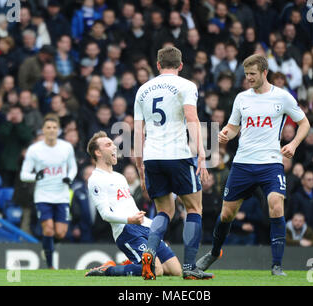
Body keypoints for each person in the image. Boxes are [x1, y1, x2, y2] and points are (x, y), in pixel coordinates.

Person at [196, 54, 310, 276]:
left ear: (264, 73)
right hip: (243, 164)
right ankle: (214, 252)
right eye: (247, 74)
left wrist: (294, 144)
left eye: (252, 74)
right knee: (227, 214)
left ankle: (277, 265)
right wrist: (225, 134)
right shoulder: (241, 98)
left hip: (271, 163)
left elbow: (304, 123)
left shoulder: (283, 97)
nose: (248, 78)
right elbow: (233, 126)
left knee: (276, 204)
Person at [133, 46, 210, 280]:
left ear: (157, 65)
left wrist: (140, 166)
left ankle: (149, 253)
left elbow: (137, 131)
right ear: (180, 65)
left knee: (164, 210)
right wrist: (201, 153)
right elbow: (191, 118)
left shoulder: (143, 90)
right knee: (194, 208)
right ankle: (189, 268)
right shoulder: (186, 86)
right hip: (177, 154)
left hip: (152, 157)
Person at [85, 131, 182, 278]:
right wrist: (130, 220)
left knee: (176, 271)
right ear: (98, 152)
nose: (114, 147)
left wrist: (149, 223)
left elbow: (129, 206)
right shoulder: (96, 179)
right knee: (156, 270)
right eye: (108, 145)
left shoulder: (120, 177)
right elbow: (105, 215)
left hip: (143, 225)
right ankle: (108, 270)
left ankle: (131, 265)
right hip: (126, 230)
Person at [20, 114, 77, 269]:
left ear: (58, 130)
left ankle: (49, 245)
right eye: (48, 128)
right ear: (43, 130)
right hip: (43, 195)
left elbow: (73, 167)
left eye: (54, 128)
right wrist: (35, 176)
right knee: (49, 228)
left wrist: (69, 177)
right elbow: (24, 174)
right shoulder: (34, 150)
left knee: (60, 233)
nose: (51, 130)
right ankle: (50, 265)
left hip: (62, 195)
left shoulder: (66, 147)